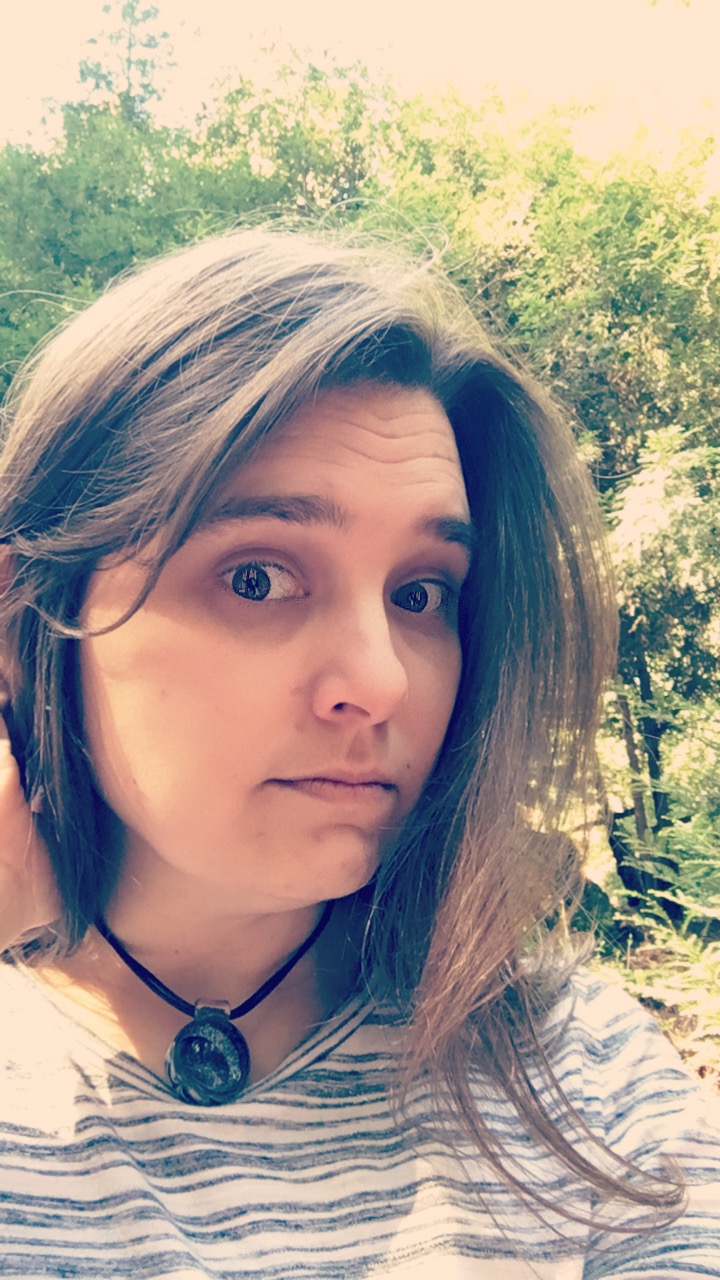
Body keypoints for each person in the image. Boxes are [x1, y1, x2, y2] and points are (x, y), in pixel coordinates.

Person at [0, 226, 717, 1280]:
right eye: (257, 577)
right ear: (27, 613)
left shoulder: (578, 1073)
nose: (381, 679)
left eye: (421, 594)